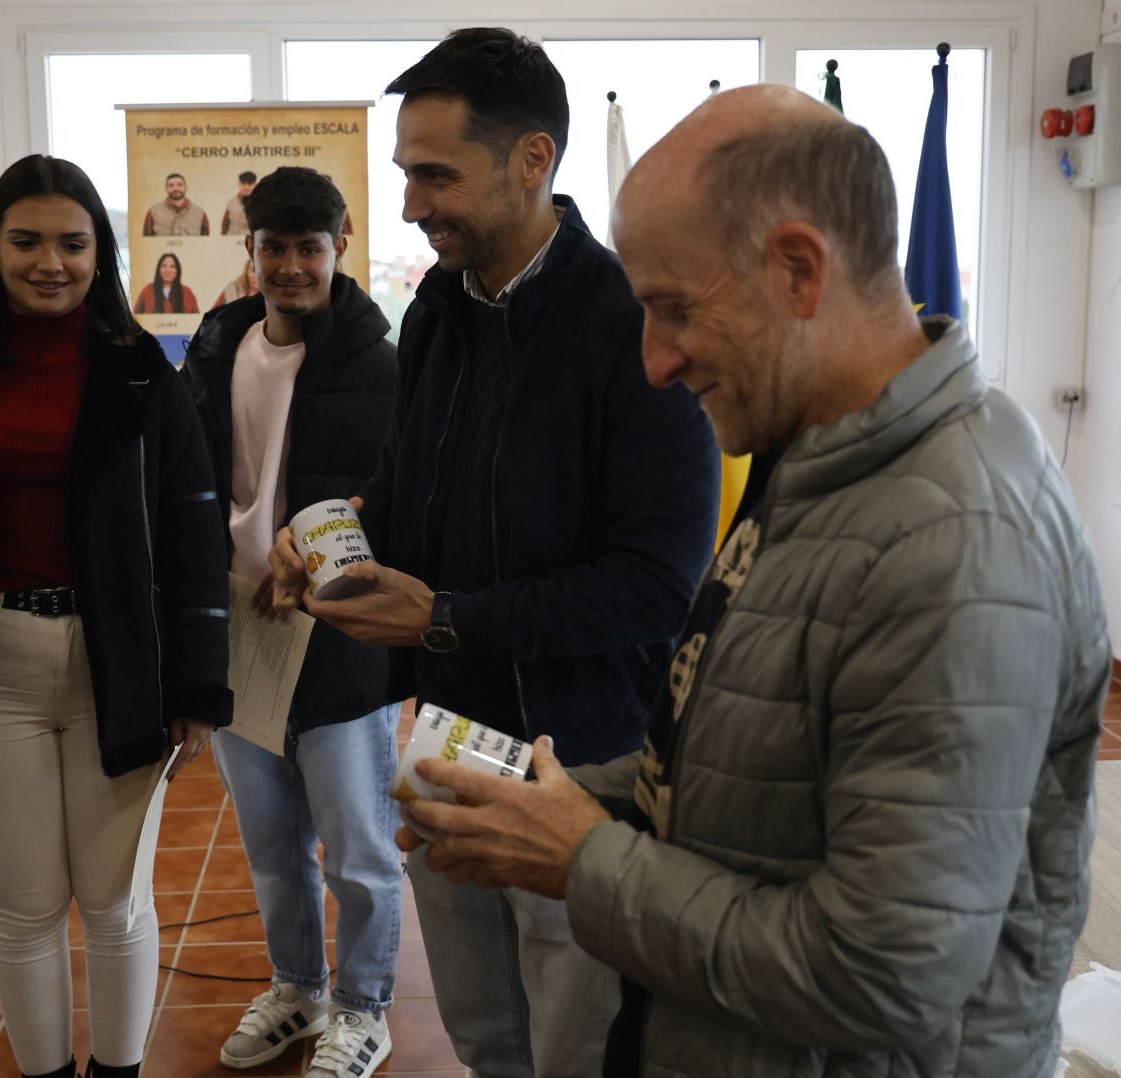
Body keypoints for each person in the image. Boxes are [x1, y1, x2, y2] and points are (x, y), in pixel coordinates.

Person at [398, 85, 1109, 1077]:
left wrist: (582, 858)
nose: (651, 362)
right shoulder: (822, 459)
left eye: (674, 309)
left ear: (799, 271)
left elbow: (883, 973)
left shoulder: (956, 541)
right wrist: (524, 795)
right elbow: (743, 777)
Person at [266, 28, 720, 1078]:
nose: (413, 203)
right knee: (483, 1037)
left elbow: (657, 585)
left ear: (532, 161)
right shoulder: (435, 310)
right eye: (406, 175)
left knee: (578, 1043)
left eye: (435, 175)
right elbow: (421, 497)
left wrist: (441, 615)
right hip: (449, 740)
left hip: (584, 758)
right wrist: (333, 541)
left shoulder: (628, 325)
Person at [0, 153, 232, 1078]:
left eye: (73, 244)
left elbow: (195, 531)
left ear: (103, 251)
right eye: (27, 240)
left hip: (117, 660)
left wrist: (198, 681)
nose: (51, 262)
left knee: (114, 900)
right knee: (25, 906)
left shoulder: (142, 374)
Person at [181, 167, 400, 1078]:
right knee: (272, 846)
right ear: (251, 251)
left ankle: (364, 1007)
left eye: (311, 247)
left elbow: (396, 499)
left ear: (340, 246)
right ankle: (298, 987)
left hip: (336, 638)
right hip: (239, 628)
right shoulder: (214, 346)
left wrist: (315, 558)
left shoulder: (376, 361)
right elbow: (185, 479)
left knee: (357, 848)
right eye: (275, 248)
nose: (292, 267)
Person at [143, 172, 210, 236]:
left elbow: (206, 243)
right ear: (166, 189)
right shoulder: (153, 212)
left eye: (179, 184)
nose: (175, 188)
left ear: (186, 188)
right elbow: (146, 242)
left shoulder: (200, 213)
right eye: (171, 185)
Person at [219, 170, 258, 235]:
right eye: (243, 183)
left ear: (255, 185)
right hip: (233, 242)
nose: (246, 187)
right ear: (239, 184)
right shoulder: (231, 203)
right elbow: (224, 225)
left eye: (250, 184)